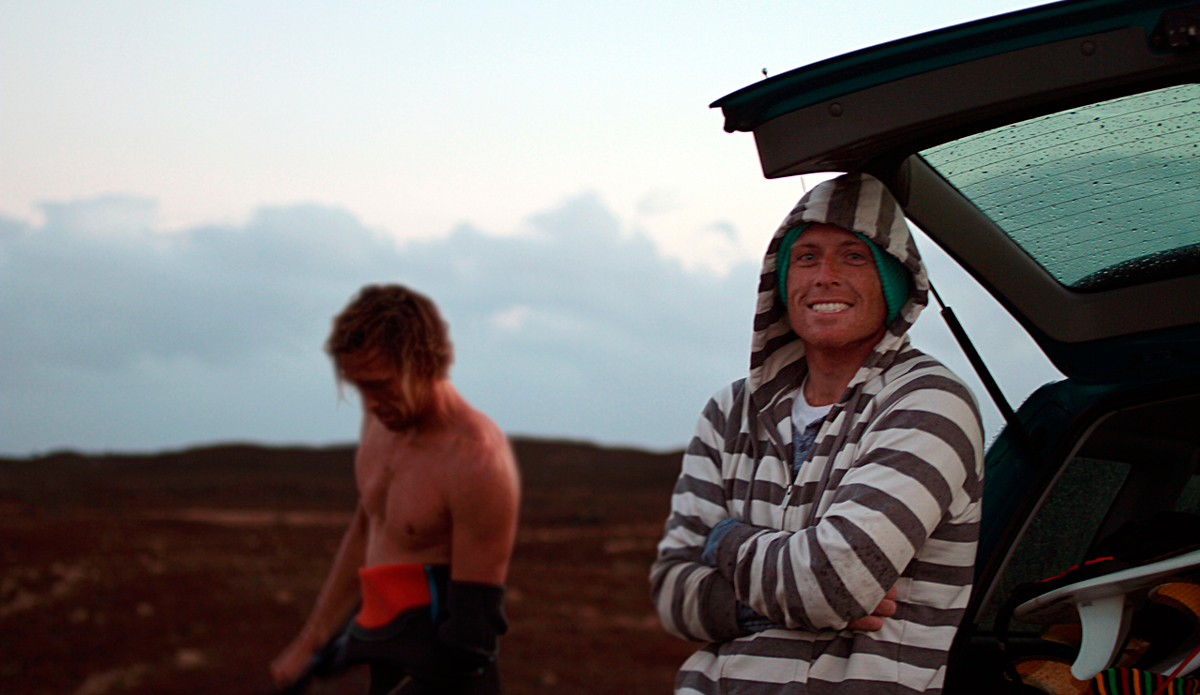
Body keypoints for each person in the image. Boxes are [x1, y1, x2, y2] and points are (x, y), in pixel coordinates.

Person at [651, 172, 984, 694]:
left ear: (893, 282)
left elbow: (829, 584)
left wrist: (721, 540)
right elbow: (673, 592)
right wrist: (785, 599)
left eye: (853, 256)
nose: (824, 276)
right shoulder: (729, 410)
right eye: (806, 257)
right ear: (781, 282)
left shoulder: (928, 402)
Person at [271, 284, 521, 695]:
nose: (369, 405)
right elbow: (369, 526)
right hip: (389, 668)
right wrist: (310, 644)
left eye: (380, 385)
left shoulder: (475, 461)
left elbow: (470, 641)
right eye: (359, 387)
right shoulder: (382, 423)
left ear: (423, 364)